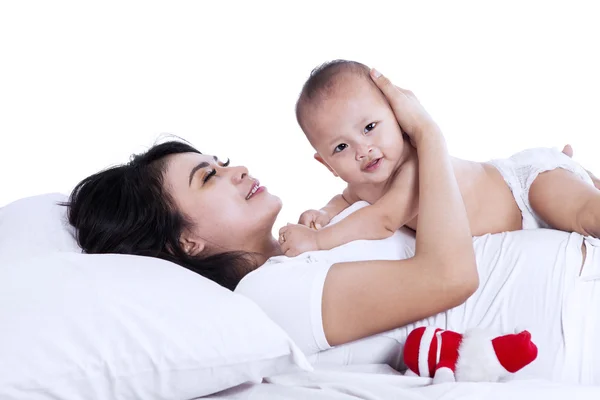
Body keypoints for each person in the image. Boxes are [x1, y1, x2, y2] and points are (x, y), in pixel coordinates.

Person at [66, 71, 600, 384]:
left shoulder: (302, 250)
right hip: (576, 313)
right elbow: (449, 276)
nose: (238, 170)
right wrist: (427, 133)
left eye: (221, 160)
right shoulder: (268, 293)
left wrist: (553, 187)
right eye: (209, 177)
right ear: (187, 241)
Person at [280, 60, 600, 257]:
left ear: (399, 114)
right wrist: (322, 213)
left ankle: (579, 177)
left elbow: (383, 219)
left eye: (369, 127)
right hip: (519, 219)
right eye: (340, 148)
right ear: (326, 164)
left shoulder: (415, 166)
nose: (362, 150)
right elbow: (344, 199)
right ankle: (583, 175)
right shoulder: (364, 183)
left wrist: (318, 240)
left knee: (587, 214)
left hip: (524, 187)